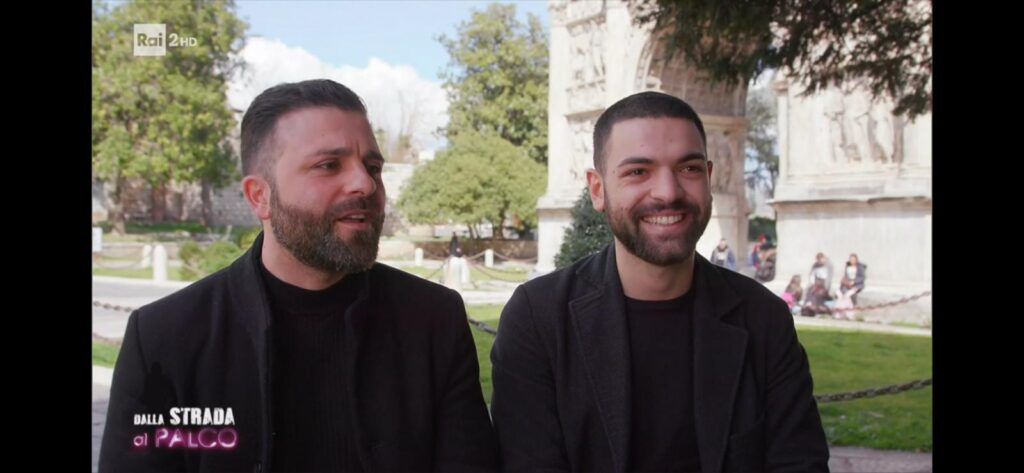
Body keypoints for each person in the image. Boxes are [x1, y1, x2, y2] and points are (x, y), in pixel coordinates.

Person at [99, 79, 497, 472]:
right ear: (260, 196)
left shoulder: (433, 320)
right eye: (328, 165)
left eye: (373, 167)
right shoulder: (165, 339)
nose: (365, 183)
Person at [490, 91, 829, 472]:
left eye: (689, 169)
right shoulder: (539, 319)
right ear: (598, 189)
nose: (668, 192)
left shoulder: (764, 318)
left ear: (709, 178)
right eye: (638, 171)